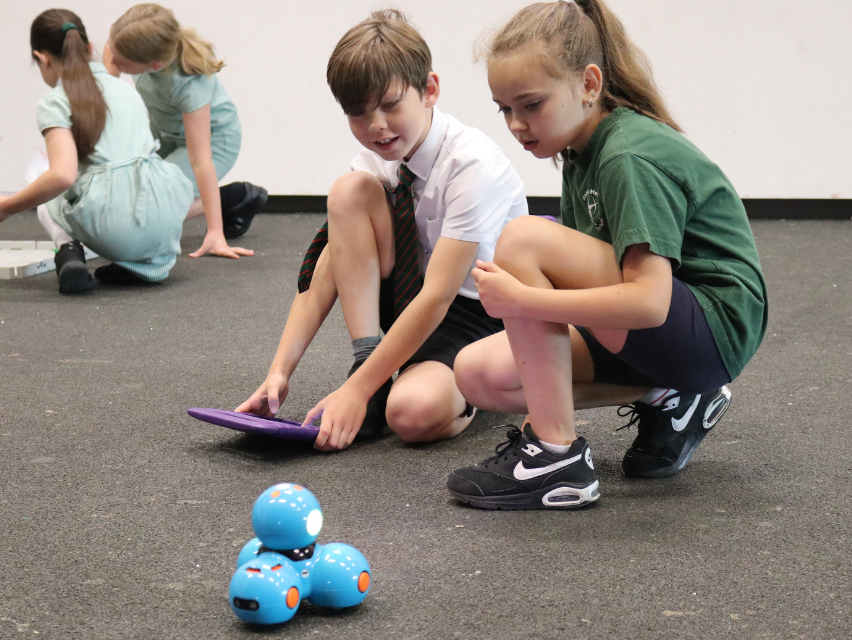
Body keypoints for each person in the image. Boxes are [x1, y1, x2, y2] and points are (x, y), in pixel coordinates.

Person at [447, 0, 768, 510]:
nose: (515, 124)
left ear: (589, 85)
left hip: (711, 328)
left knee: (524, 238)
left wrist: (526, 301)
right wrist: (531, 308)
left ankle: (555, 459)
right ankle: (669, 397)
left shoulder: (626, 156)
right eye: (504, 109)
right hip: (662, 330)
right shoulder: (577, 152)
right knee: (479, 375)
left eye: (530, 105)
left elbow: (648, 304)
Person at [237, 10, 528, 451]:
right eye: (359, 113)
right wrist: (279, 373)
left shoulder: (473, 165)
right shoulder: (375, 158)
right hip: (405, 298)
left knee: (410, 414)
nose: (376, 125)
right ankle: (367, 360)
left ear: (429, 90)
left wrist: (357, 395)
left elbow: (438, 296)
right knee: (349, 192)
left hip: (472, 315)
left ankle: (476, 390)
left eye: (391, 105)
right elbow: (326, 273)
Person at [0, 9, 194, 293]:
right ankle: (145, 265)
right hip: (166, 217)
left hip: (115, 227)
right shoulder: (126, 89)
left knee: (45, 179)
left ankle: (67, 248)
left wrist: (7, 207)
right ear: (89, 48)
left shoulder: (56, 102)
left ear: (42, 58)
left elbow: (62, 177)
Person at [104, 3, 267, 260]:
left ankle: (227, 200)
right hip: (165, 133)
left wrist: (215, 232)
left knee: (147, 215)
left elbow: (200, 160)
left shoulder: (189, 83)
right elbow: (109, 71)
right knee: (127, 196)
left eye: (120, 62)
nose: (111, 62)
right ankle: (223, 197)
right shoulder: (128, 45)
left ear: (154, 65)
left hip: (214, 143)